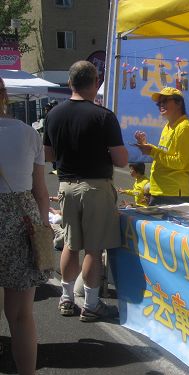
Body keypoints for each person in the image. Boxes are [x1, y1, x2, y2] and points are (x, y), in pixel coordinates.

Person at [43, 60, 128, 322]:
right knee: (93, 248)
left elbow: (48, 155)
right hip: (96, 187)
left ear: (70, 83)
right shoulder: (104, 116)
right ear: (95, 83)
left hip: (67, 185)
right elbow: (121, 159)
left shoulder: (54, 115)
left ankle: (67, 298)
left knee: (70, 244)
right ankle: (91, 304)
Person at [0, 76, 51, 374]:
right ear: (4, 96)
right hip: (21, 222)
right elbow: (40, 190)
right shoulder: (28, 134)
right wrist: (43, 224)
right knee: (20, 315)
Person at [134, 87, 189, 205]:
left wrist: (152, 151)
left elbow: (180, 162)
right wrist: (147, 147)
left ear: (179, 103)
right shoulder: (168, 126)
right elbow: (165, 154)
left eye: (165, 101)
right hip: (162, 192)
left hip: (172, 194)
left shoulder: (184, 127)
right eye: (159, 103)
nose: (161, 105)